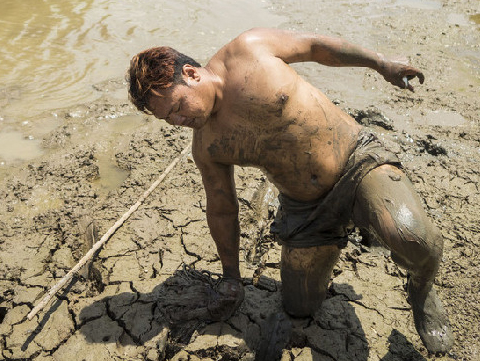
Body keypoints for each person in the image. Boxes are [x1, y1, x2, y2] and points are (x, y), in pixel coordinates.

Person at [127, 28, 453, 354]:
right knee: (300, 307)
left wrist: (381, 63)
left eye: (177, 107)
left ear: (191, 74)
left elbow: (316, 47)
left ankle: (421, 288)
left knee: (413, 238)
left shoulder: (248, 51)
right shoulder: (207, 147)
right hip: (305, 210)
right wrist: (230, 278)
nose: (178, 120)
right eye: (168, 119)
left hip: (357, 163)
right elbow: (222, 208)